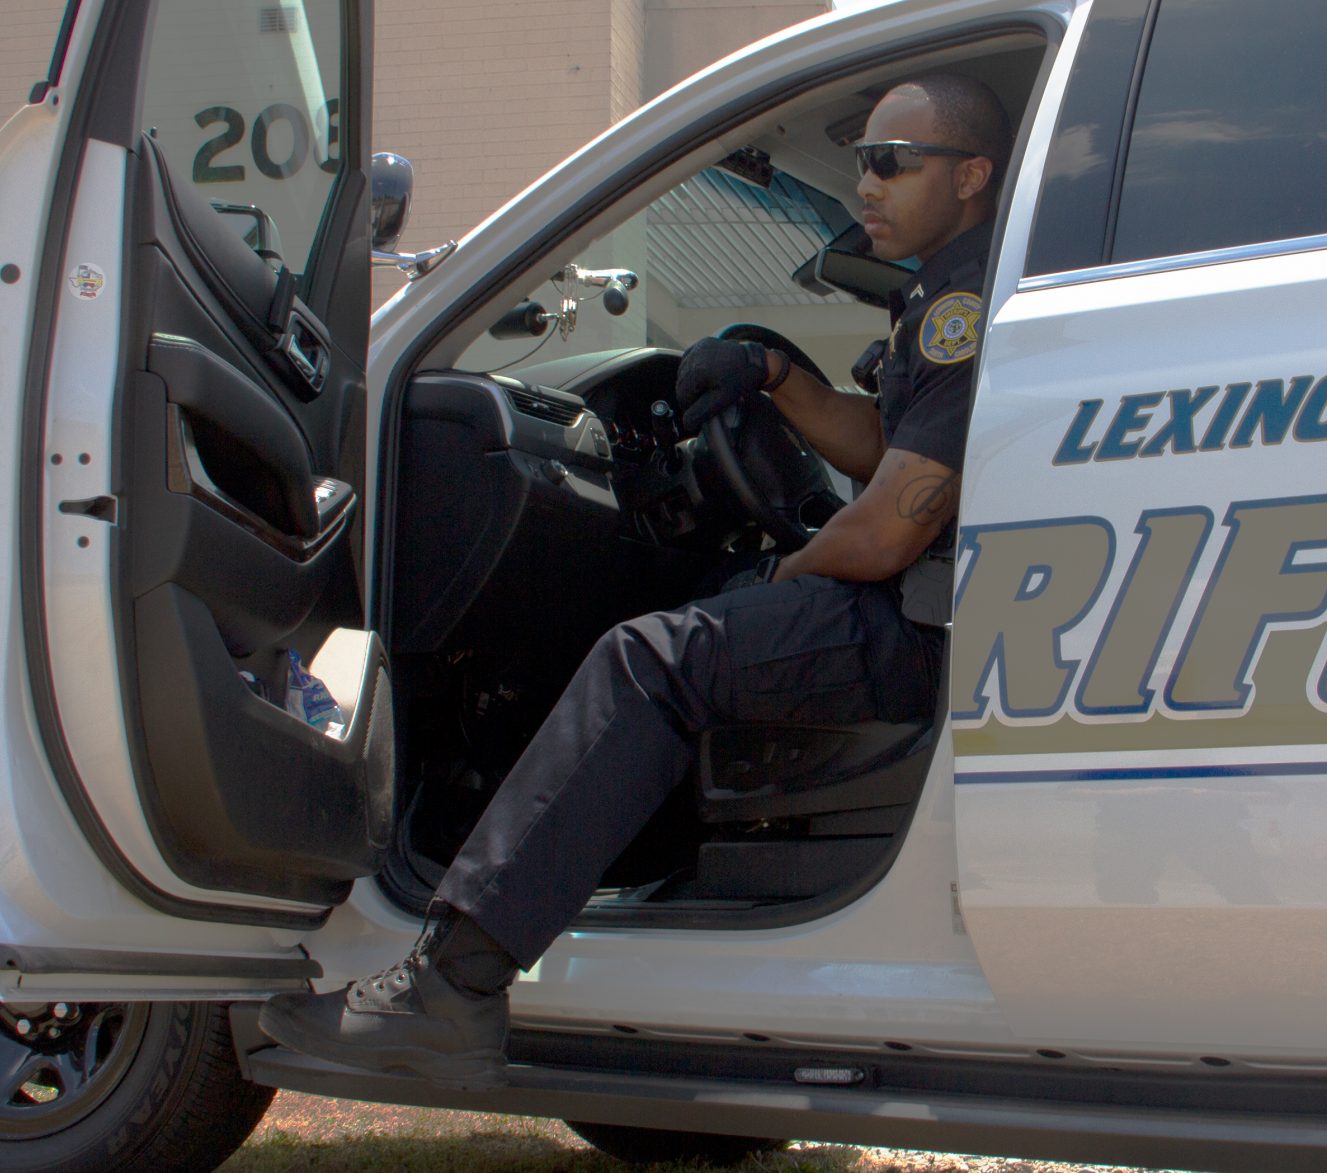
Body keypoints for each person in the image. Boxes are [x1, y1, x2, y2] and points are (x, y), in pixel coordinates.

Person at [256, 74, 1013, 1088]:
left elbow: (884, 532)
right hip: (933, 608)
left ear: (970, 175)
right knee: (700, 620)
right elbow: (890, 448)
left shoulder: (968, 306)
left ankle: (450, 991)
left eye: (888, 162)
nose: (866, 185)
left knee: (650, 658)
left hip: (924, 626)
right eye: (864, 161)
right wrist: (776, 374)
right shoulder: (944, 293)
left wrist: (788, 567)